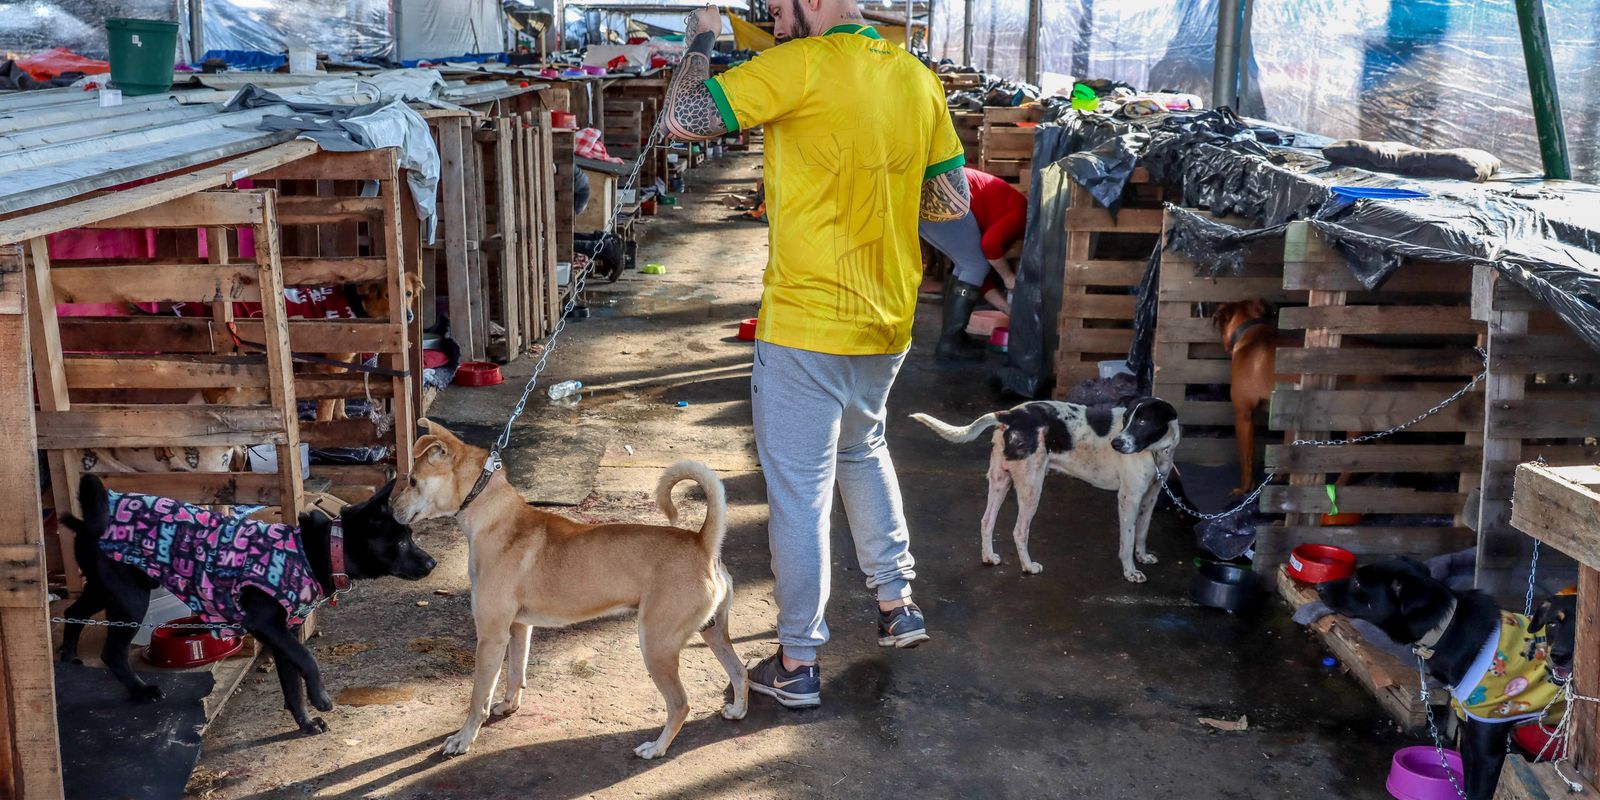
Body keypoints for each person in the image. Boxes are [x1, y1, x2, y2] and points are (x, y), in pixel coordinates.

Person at [662, 1, 970, 709]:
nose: (772, 14)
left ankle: (797, 660)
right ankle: (898, 605)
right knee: (863, 451)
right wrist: (876, 185)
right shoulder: (917, 79)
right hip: (887, 318)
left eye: (777, 4)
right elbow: (948, 201)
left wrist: (703, 37)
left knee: (799, 492)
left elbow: (684, 116)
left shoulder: (796, 67)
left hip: (807, 322)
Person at [919, 167, 1027, 360]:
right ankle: (950, 345)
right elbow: (990, 245)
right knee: (974, 264)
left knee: (968, 265)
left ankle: (953, 339)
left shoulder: (1000, 217)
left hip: (930, 192)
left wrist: (1006, 309)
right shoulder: (1022, 214)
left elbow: (977, 276)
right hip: (941, 192)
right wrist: (1009, 277)